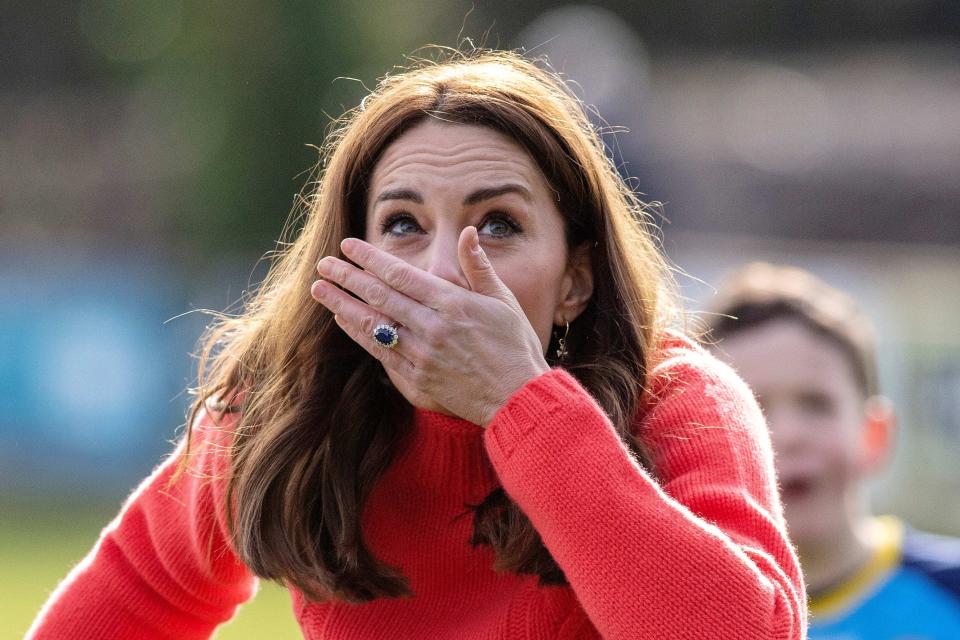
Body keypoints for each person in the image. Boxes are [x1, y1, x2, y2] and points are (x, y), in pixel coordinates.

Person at [29, 51, 805, 639]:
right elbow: (131, 595)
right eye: (403, 224)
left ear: (577, 279)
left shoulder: (679, 401)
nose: (441, 271)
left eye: (498, 224)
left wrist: (521, 404)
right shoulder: (287, 412)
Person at [704, 262, 960, 639]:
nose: (788, 435)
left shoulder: (948, 592)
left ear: (875, 434)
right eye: (750, 407)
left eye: (816, 403)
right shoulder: (660, 614)